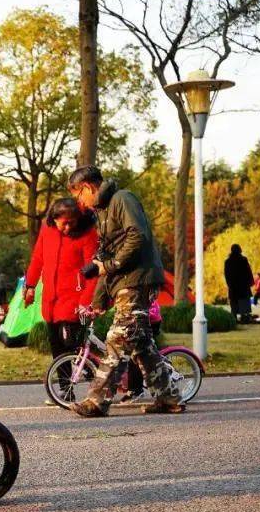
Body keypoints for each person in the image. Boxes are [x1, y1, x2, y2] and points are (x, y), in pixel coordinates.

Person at [66, 165, 183, 417]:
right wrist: (98, 299)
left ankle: (97, 401)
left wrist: (109, 265)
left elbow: (137, 236)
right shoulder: (103, 212)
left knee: (118, 339)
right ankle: (169, 398)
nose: (80, 203)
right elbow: (105, 262)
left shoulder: (122, 199)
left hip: (137, 280)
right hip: (126, 282)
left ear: (87, 187)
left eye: (79, 196)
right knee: (141, 345)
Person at [23, 197, 98, 362]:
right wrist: (30, 286)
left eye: (72, 222)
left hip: (74, 299)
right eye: (64, 223)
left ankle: (94, 376)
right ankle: (65, 387)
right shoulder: (47, 230)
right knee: (56, 345)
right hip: (50, 299)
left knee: (70, 344)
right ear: (54, 218)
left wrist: (85, 301)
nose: (69, 227)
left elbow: (93, 271)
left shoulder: (87, 234)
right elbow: (37, 259)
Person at [224, 244, 259, 324]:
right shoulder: (243, 260)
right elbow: (248, 271)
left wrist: (229, 284)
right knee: (244, 300)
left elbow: (227, 274)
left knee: (234, 301)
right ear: (240, 250)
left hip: (233, 285)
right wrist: (250, 282)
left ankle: (234, 317)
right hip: (243, 285)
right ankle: (244, 317)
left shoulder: (228, 261)